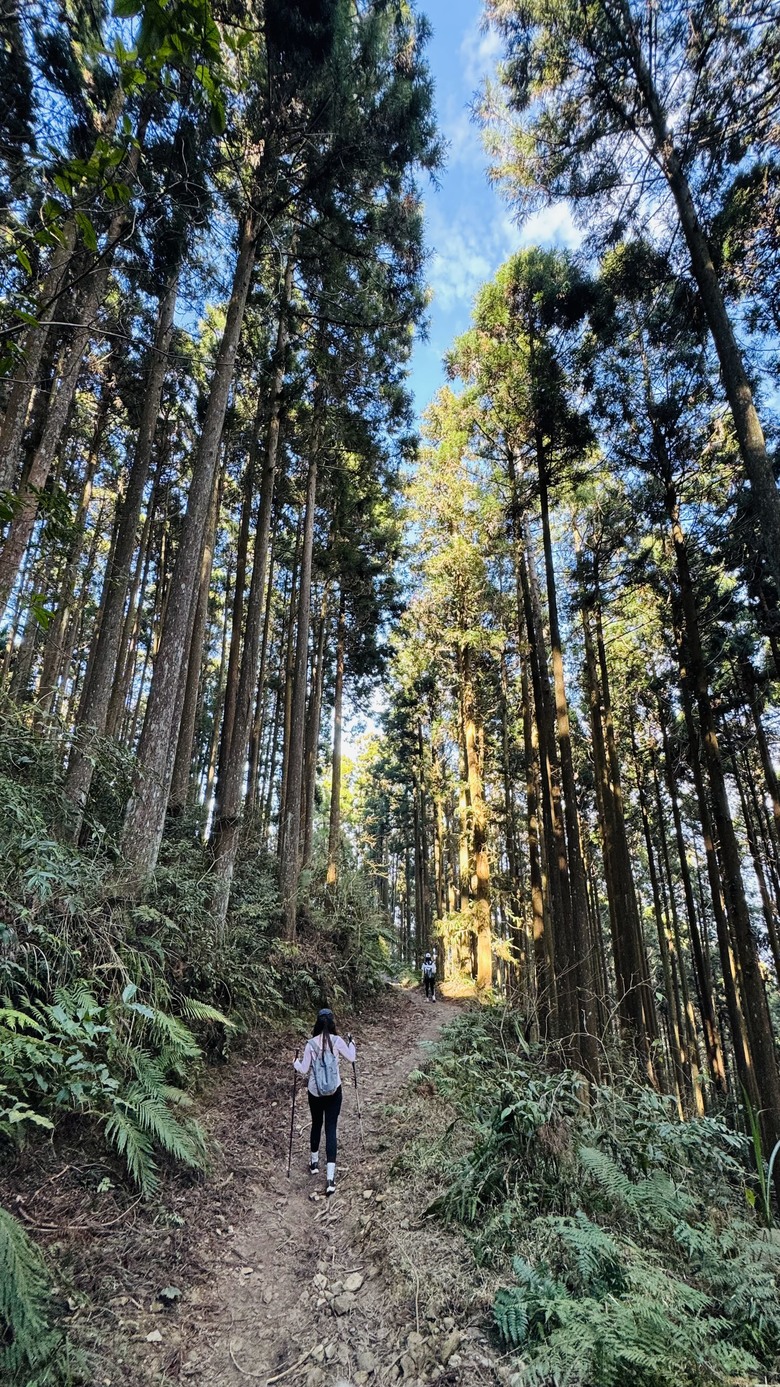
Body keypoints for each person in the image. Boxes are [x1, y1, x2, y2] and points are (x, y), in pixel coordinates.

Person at [294, 1007, 356, 1195]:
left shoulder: (310, 1044)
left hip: (315, 1092)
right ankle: (330, 1179)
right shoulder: (337, 1042)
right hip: (334, 1091)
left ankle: (314, 1164)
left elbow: (303, 1069)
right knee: (331, 1129)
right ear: (332, 1022)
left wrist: (295, 1062)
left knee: (316, 1124)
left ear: (317, 1023)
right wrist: (352, 1043)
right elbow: (352, 1057)